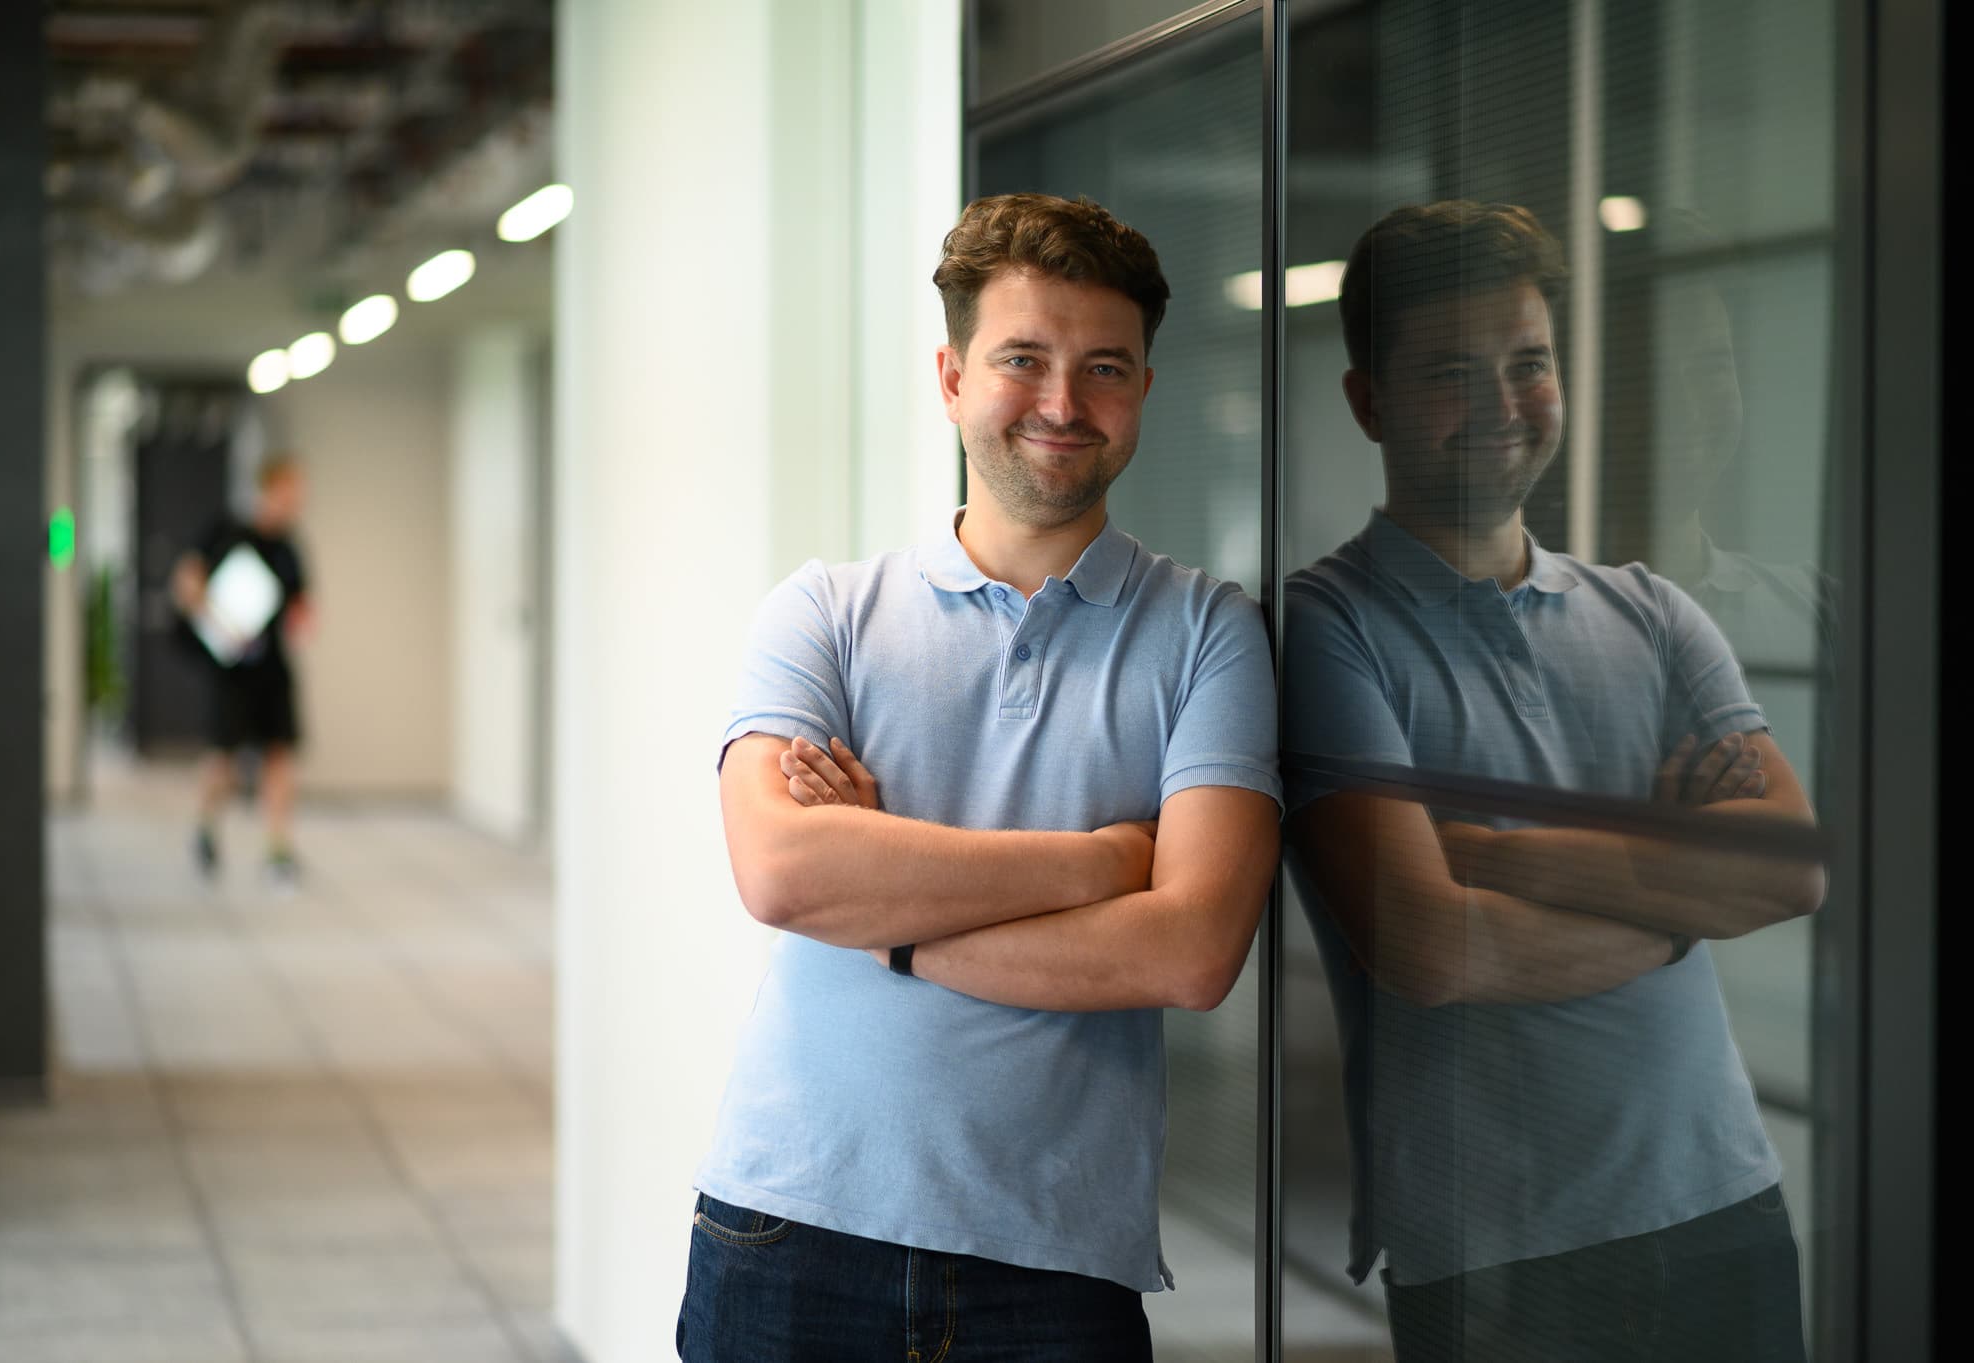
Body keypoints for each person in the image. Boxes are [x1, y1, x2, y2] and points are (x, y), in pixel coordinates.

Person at [677, 193, 1282, 1361]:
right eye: (1022, 359)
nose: (1062, 403)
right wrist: (1101, 861)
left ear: (1144, 391)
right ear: (952, 378)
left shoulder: (1210, 633)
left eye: (1103, 366)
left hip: (1052, 1265)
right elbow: (784, 870)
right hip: (785, 1228)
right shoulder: (825, 612)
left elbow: (1189, 949)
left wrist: (888, 919)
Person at [1280, 201, 1823, 1361]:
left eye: (1526, 364)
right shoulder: (1326, 629)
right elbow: (1430, 949)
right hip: (1498, 1251)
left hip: (1722, 1200)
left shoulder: (1649, 610)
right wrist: (1675, 916)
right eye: (1447, 372)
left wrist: (1485, 850)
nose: (1499, 404)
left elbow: (1785, 867)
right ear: (1365, 400)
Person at [170, 453, 312, 885]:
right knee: (224, 760)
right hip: (231, 666)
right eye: (290, 490)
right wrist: (215, 617)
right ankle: (206, 826)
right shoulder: (226, 531)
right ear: (269, 489)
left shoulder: (289, 547)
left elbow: (303, 606)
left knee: (279, 755)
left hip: (272, 666)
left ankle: (278, 848)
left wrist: (301, 619)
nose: (296, 500)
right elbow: (187, 581)